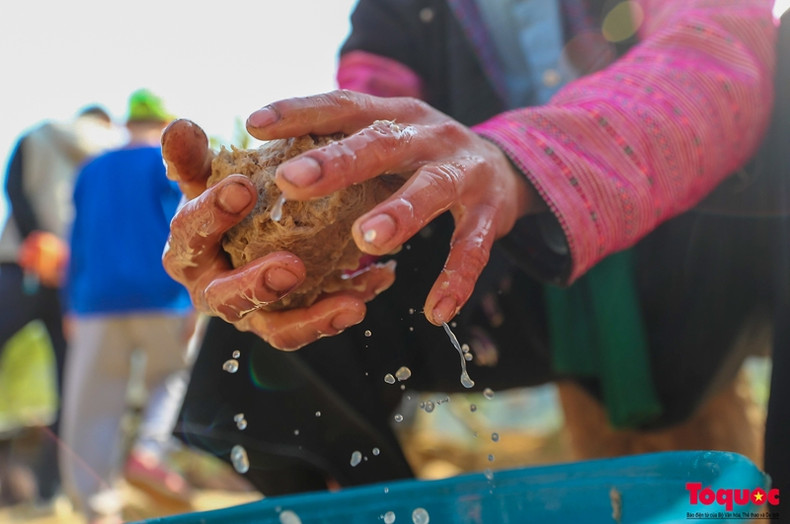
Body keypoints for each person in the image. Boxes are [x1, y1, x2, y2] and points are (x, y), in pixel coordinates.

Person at [162, 0, 780, 497]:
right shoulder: (396, 12)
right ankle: (358, 504)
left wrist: (517, 160)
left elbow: (717, 53)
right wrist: (278, 232)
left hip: (697, 258)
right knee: (265, 310)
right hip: (504, 273)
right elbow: (372, 128)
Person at [60, 89, 196, 524]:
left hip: (95, 301)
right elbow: (189, 228)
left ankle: (97, 509)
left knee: (94, 405)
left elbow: (75, 242)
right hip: (163, 293)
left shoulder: (91, 170)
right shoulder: (167, 166)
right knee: (171, 376)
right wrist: (195, 297)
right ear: (163, 127)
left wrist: (69, 305)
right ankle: (149, 454)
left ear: (126, 124)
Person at [0, 105, 120, 507]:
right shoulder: (115, 151)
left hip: (18, 268)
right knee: (74, 385)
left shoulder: (38, 134)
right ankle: (52, 493)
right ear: (105, 123)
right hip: (76, 279)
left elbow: (14, 186)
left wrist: (37, 239)